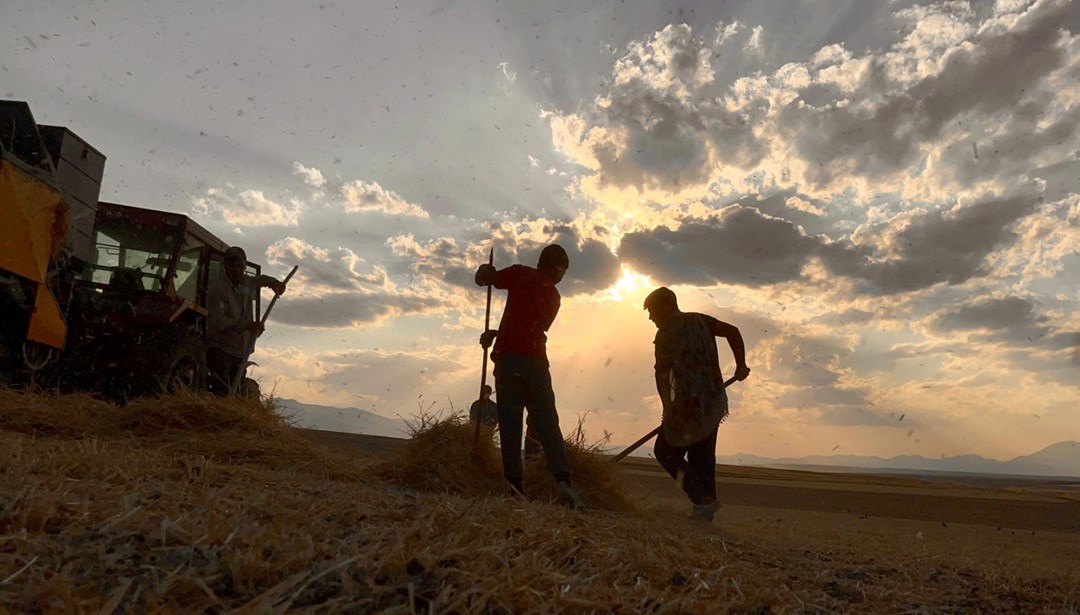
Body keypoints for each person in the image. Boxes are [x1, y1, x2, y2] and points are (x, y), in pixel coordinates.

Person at [475, 244, 585, 509]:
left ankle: (515, 488)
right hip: (536, 364)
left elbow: (484, 280)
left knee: (511, 426)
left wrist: (484, 271)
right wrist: (497, 335)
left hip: (509, 362)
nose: (562, 278)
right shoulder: (554, 296)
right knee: (547, 424)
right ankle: (563, 481)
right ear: (557, 270)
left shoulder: (519, 274)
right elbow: (531, 328)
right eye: (563, 272)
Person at [643, 287, 750, 522]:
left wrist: (667, 409)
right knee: (702, 456)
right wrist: (740, 365)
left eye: (652, 311)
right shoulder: (700, 320)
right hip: (712, 401)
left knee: (665, 451)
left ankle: (702, 501)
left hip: (689, 406)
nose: (651, 317)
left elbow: (662, 376)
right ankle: (704, 511)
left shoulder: (666, 334)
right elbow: (732, 331)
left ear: (666, 306)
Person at [206, 246, 287, 396]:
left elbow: (261, 280)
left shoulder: (247, 283)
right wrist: (247, 325)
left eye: (240, 266)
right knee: (223, 392)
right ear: (226, 266)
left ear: (245, 266)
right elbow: (219, 322)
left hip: (240, 350)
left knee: (237, 391)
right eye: (232, 266)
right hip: (221, 349)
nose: (237, 270)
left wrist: (275, 283)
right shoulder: (218, 290)